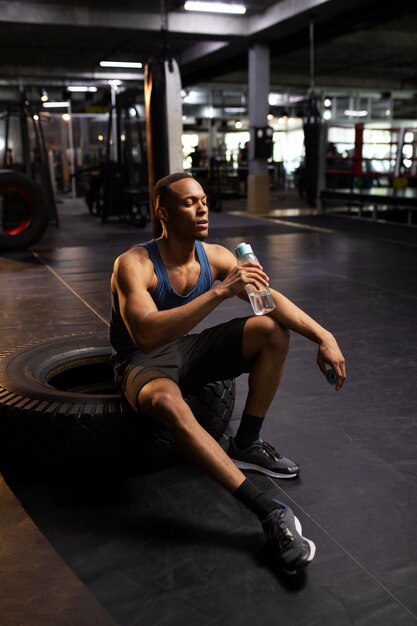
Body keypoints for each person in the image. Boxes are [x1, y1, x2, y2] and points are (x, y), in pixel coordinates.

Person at [110, 172, 346, 574]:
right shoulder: (134, 264)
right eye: (189, 202)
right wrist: (220, 291)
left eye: (203, 200)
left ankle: (247, 444)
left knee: (271, 330)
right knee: (167, 401)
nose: (202, 208)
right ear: (163, 213)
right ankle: (268, 512)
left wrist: (323, 336)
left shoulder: (215, 255)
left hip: (186, 349)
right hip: (140, 361)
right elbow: (147, 336)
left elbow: (268, 301)